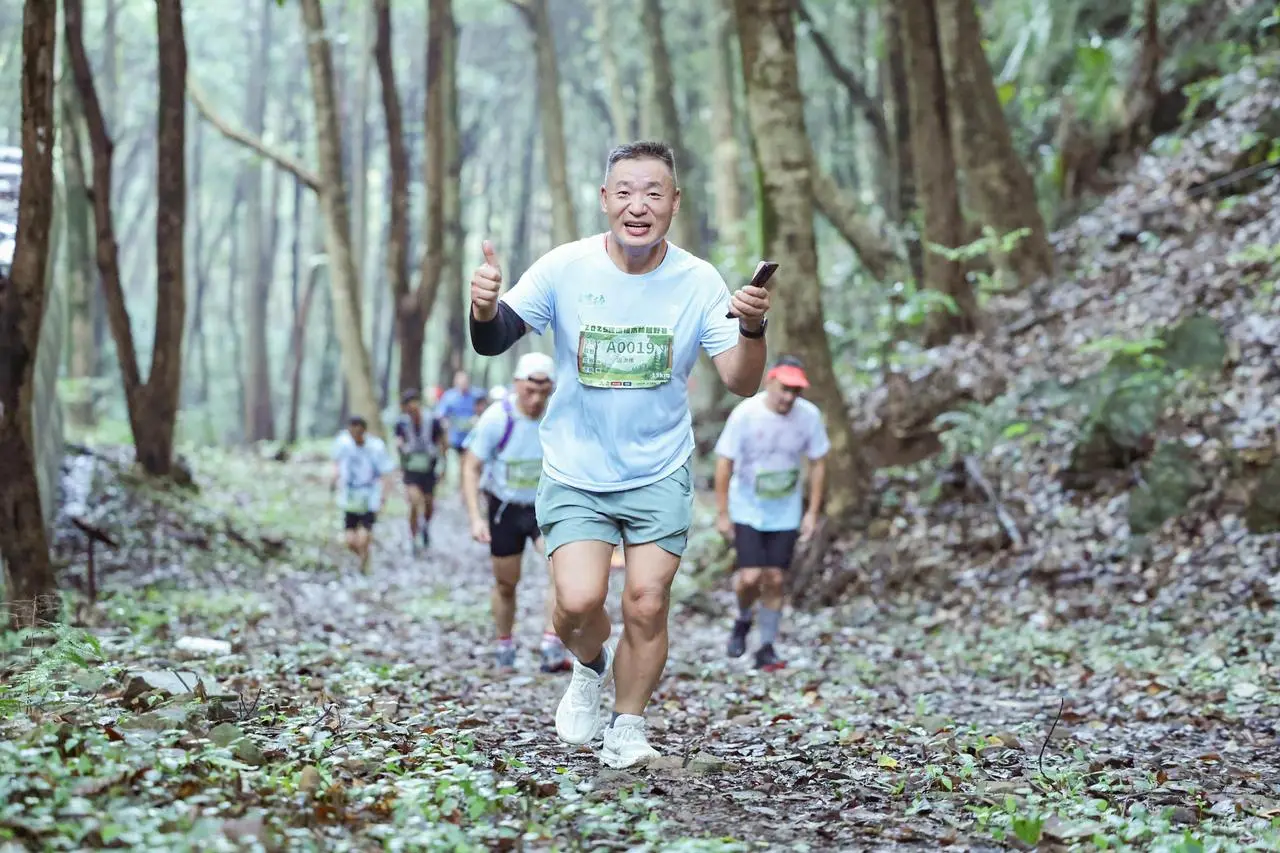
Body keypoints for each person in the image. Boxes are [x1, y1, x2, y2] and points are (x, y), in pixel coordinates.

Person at [468, 140, 772, 768]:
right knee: (577, 604)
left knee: (646, 601)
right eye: (626, 191)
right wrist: (484, 306)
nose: (639, 205)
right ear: (605, 199)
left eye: (654, 192)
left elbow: (743, 382)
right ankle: (588, 666)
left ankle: (628, 725)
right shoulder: (565, 268)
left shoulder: (698, 280)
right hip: (576, 468)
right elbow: (497, 339)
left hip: (659, 467)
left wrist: (751, 327)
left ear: (674, 203)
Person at [713, 355, 829, 671]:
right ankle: (742, 619)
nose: (789, 397)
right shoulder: (745, 414)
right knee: (750, 576)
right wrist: (722, 512)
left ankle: (766, 645)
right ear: (770, 382)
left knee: (776, 578)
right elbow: (724, 462)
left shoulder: (809, 417)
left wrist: (812, 512)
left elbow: (818, 462)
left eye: (796, 391)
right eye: (784, 389)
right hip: (748, 505)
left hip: (786, 508)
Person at [461, 352, 571, 674]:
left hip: (545, 508)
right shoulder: (498, 418)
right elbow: (471, 466)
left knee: (563, 575)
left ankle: (551, 642)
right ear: (517, 385)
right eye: (529, 391)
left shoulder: (558, 415)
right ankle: (505, 643)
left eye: (544, 392)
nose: (536, 400)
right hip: (505, 509)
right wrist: (475, 517)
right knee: (507, 584)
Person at [330, 415, 397, 574]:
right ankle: (361, 557)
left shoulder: (376, 447)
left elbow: (386, 472)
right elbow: (336, 463)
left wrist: (384, 496)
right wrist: (334, 481)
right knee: (350, 539)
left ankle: (364, 562)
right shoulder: (343, 444)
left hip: (370, 495)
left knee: (364, 536)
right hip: (350, 496)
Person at [394, 389, 449, 554]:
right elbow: (398, 442)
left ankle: (425, 526)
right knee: (414, 501)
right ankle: (412, 537)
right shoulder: (401, 423)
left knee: (428, 504)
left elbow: (443, 444)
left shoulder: (433, 420)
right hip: (411, 469)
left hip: (429, 468)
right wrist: (401, 452)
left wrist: (443, 467)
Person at [436, 370, 487, 474]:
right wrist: (445, 423)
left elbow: (485, 410)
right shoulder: (449, 396)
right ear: (456, 382)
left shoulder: (476, 395)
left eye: (465, 381)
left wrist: (478, 418)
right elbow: (440, 414)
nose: (463, 384)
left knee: (470, 468)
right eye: (460, 382)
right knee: (455, 469)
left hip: (472, 439)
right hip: (454, 440)